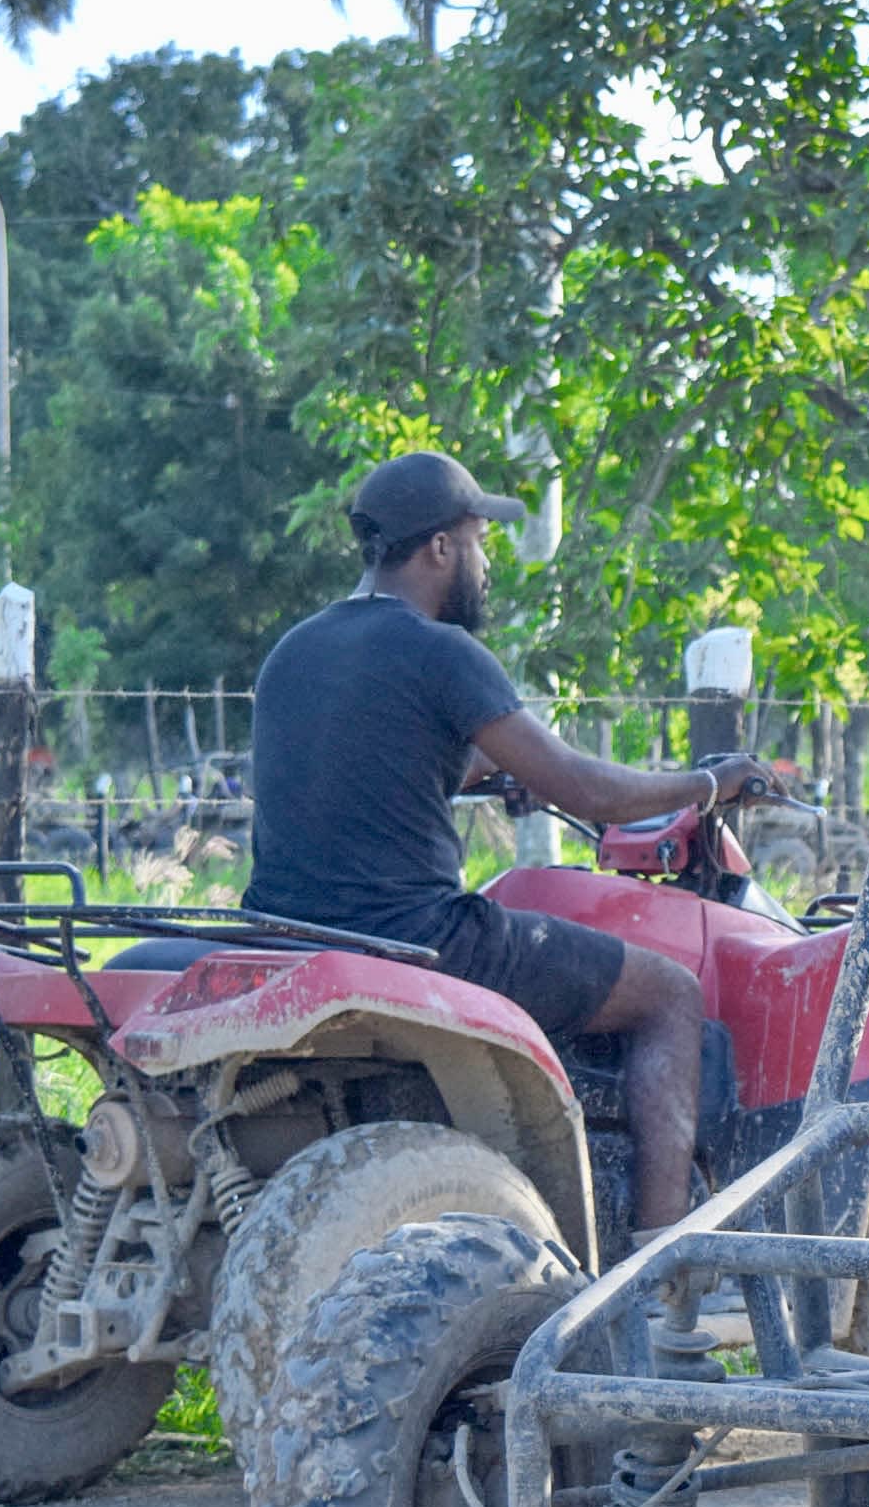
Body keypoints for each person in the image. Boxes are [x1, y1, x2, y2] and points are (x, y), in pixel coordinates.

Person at [244, 450, 770, 1236]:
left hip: (288, 931)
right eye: (479, 541)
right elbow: (588, 791)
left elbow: (364, 767)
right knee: (670, 996)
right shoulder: (441, 652)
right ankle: (666, 1262)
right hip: (419, 937)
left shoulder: (294, 650)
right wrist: (706, 784)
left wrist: (484, 767)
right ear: (440, 548)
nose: (487, 565)